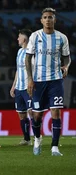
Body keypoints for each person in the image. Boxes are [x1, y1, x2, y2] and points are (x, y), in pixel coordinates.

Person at [25, 7, 70, 156]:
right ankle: (37, 138)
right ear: (41, 20)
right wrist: (30, 79)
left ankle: (55, 147)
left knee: (55, 113)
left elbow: (67, 57)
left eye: (51, 17)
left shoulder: (62, 38)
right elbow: (28, 57)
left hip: (55, 81)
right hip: (38, 82)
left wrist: (66, 66)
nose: (48, 19)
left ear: (55, 20)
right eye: (45, 17)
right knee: (37, 116)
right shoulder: (34, 36)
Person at [10, 29, 33, 146]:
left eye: (19, 37)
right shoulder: (19, 52)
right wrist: (13, 86)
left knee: (32, 112)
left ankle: (38, 136)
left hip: (28, 87)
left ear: (24, 39)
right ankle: (26, 139)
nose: (17, 39)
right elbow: (18, 70)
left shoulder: (32, 52)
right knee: (21, 114)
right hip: (19, 87)